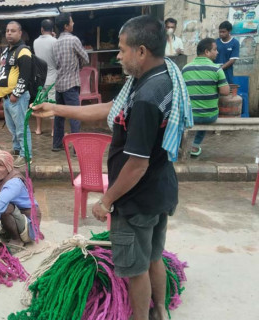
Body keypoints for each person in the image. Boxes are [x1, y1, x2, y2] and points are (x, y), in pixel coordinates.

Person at [32, 15, 192, 320]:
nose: (117, 55)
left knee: (136, 269)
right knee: (154, 257)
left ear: (141, 51)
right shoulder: (159, 75)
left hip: (137, 198)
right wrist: (57, 109)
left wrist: (106, 200)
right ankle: (159, 310)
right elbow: (110, 108)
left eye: (121, 49)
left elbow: (136, 165)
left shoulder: (146, 97)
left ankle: (141, 316)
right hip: (160, 191)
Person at [182, 38, 229, 157]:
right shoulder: (217, 69)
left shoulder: (185, 69)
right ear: (207, 52)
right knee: (206, 113)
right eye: (215, 49)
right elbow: (225, 92)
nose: (217, 52)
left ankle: (179, 145)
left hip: (189, 116)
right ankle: (195, 146)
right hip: (209, 116)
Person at [0, 21, 33, 167]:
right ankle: (17, 150)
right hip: (7, 97)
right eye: (7, 31)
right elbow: (2, 71)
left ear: (20, 33)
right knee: (13, 128)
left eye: (13, 31)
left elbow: (25, 76)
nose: (9, 33)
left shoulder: (23, 51)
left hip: (17, 97)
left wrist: (16, 94)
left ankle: (26, 155)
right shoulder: (6, 51)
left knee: (21, 128)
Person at [51, 12, 89, 152]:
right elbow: (86, 58)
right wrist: (78, 65)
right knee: (75, 115)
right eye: (71, 22)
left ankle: (56, 144)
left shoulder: (55, 43)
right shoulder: (74, 40)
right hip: (71, 83)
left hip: (59, 84)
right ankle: (76, 147)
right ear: (66, 26)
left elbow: (55, 64)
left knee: (59, 115)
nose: (73, 24)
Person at [33, 19, 57, 136]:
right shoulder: (55, 41)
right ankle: (53, 130)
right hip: (52, 78)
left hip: (40, 78)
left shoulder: (35, 42)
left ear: (42, 29)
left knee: (38, 103)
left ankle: (38, 129)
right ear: (52, 30)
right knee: (52, 103)